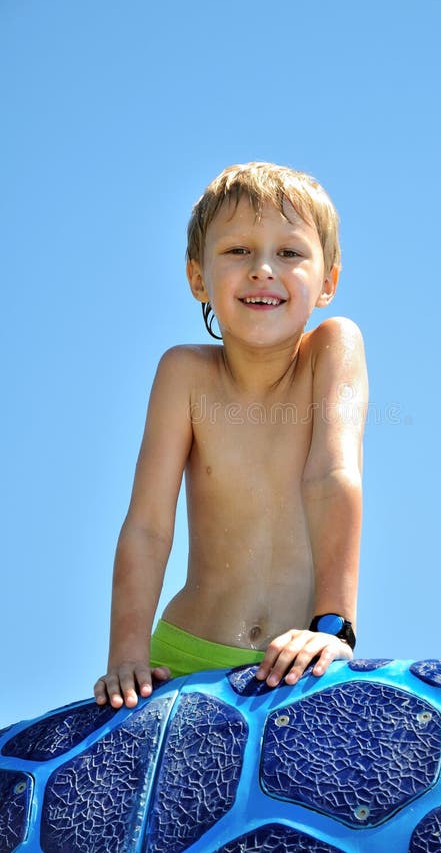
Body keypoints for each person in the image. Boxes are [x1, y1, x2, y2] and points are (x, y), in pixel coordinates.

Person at [94, 162, 368, 709]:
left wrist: (333, 628)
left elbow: (332, 476)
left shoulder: (332, 349)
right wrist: (126, 655)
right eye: (238, 250)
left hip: (298, 657)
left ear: (328, 281)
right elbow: (148, 526)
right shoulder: (184, 375)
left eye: (289, 253)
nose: (263, 269)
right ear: (198, 278)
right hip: (181, 658)